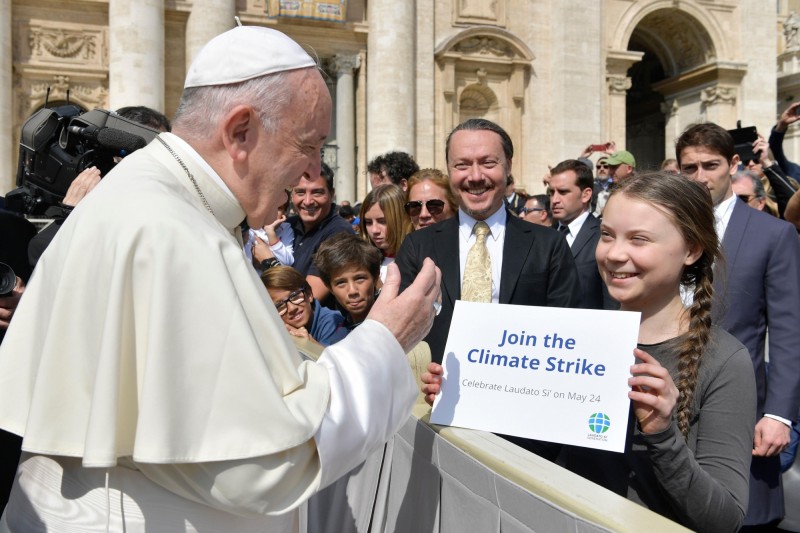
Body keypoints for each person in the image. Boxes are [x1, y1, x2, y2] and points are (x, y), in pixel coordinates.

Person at [0, 25, 442, 531]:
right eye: (310, 144)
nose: (312, 172)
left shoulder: (158, 197)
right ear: (239, 132)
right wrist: (386, 342)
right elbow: (260, 468)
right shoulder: (173, 231)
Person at [422, 172, 757, 532]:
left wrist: (662, 434)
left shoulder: (723, 360)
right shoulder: (575, 338)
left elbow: (724, 519)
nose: (614, 254)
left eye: (639, 240)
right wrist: (466, 397)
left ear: (691, 250)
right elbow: (534, 456)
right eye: (607, 235)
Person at [676, 122, 800, 529]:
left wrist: (780, 414)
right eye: (689, 168)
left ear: (732, 164)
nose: (699, 177)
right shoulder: (664, 232)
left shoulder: (773, 234)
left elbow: (789, 330)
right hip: (667, 407)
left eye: (709, 165)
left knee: (741, 519)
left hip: (741, 410)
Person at [395, 118, 581, 364]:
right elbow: (402, 331)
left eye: (487, 163)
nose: (475, 176)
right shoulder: (417, 247)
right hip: (436, 396)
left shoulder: (549, 246)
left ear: (508, 166)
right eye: (462, 165)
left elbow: (567, 331)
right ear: (450, 171)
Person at [548, 159, 617, 310]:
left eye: (563, 192)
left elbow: (612, 299)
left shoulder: (604, 237)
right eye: (551, 193)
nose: (555, 200)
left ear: (586, 195)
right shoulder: (545, 237)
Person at [284, 162, 354, 302]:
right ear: (292, 195)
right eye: (300, 192)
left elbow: (309, 297)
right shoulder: (286, 226)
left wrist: (268, 261)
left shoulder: (339, 233)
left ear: (332, 194)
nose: (308, 201)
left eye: (317, 192)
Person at [261, 265, 348, 346]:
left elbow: (333, 361)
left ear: (309, 294)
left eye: (294, 296)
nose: (292, 308)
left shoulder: (333, 322)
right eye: (280, 305)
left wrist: (309, 345)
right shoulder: (279, 333)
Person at [314, 232, 382, 331]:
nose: (352, 291)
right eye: (341, 283)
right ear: (330, 287)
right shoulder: (337, 328)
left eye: (359, 279)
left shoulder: (392, 322)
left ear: (375, 277)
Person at [359, 184, 412, 281]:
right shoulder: (362, 261)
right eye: (368, 222)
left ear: (401, 218)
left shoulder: (415, 261)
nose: (375, 230)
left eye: (382, 221)